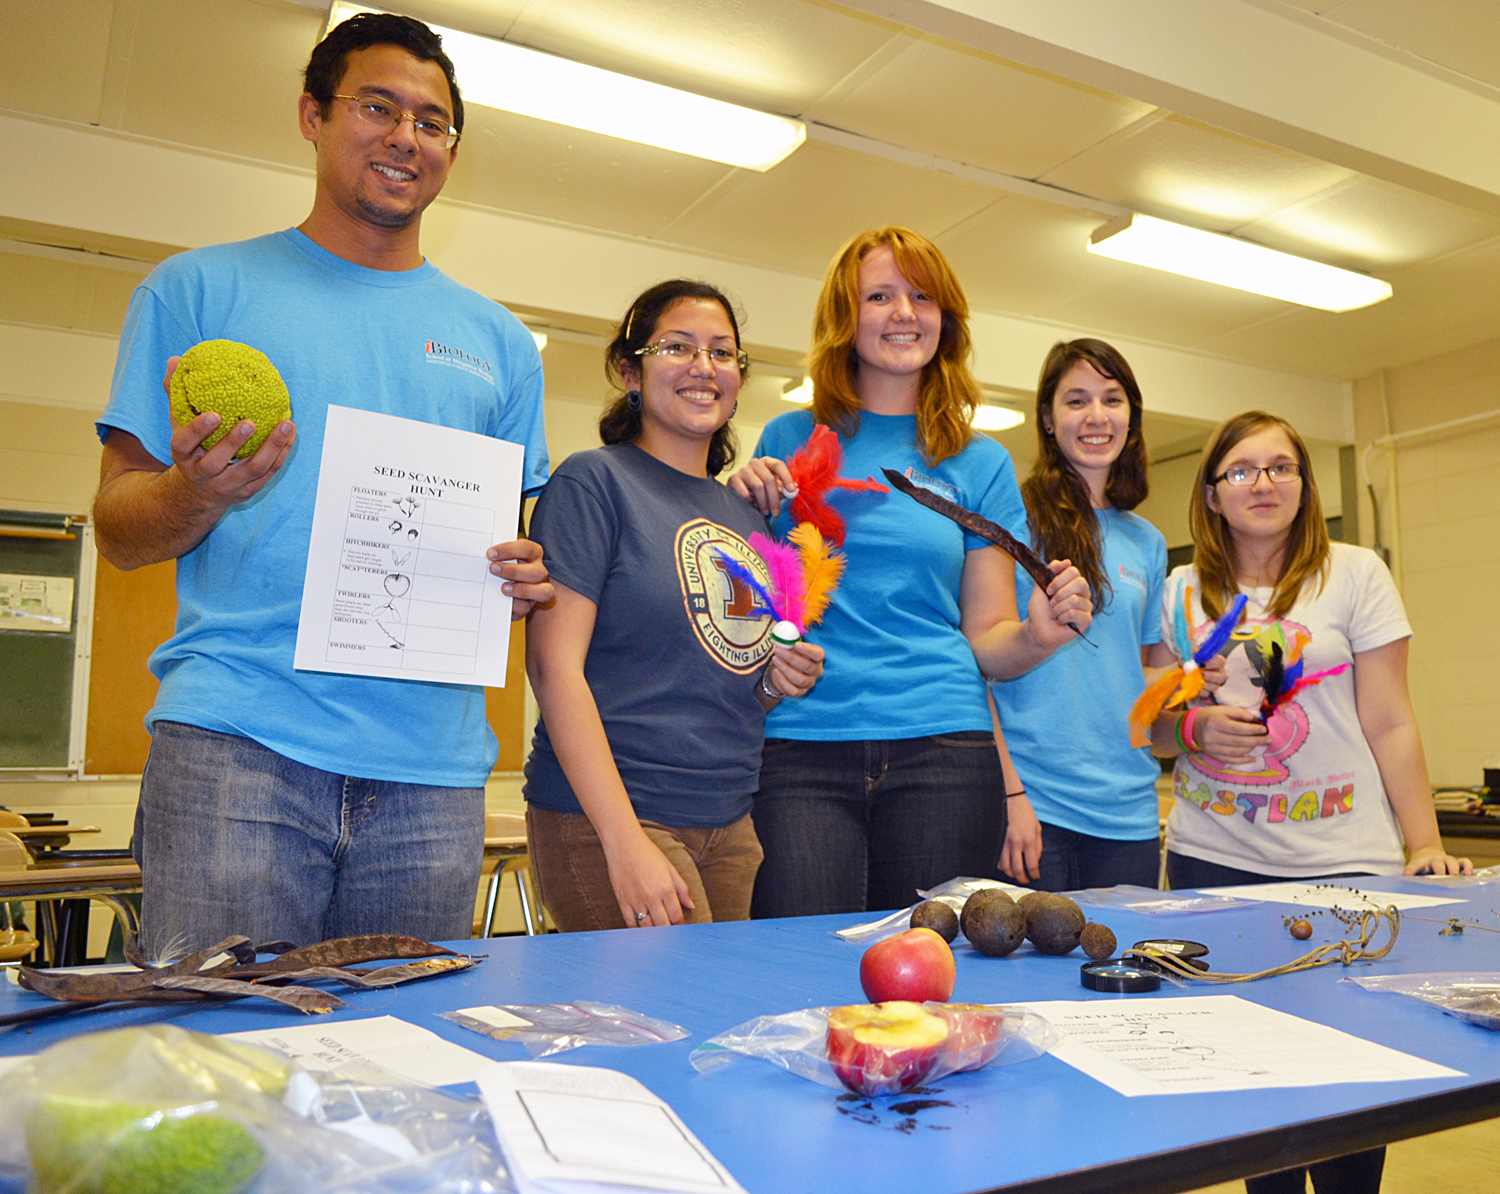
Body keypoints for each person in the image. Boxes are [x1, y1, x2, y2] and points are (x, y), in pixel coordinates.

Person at [91, 13, 552, 954]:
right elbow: (118, 529)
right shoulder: (195, 293)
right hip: (237, 746)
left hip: (435, 770)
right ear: (311, 114)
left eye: (432, 122)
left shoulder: (502, 343)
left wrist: (521, 577)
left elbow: (504, 545)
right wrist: (199, 491)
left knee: (397, 1067)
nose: (405, 137)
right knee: (224, 1062)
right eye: (376, 107)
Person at [1150, 410, 1470, 1194]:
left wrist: (1422, 842)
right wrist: (1192, 727)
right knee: (1255, 1082)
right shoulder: (1180, 587)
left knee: (1357, 1081)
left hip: (1345, 864)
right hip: (1212, 863)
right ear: (1213, 493)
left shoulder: (1356, 572)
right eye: (1243, 470)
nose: (1264, 483)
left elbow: (1390, 717)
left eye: (1282, 467)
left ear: (1304, 484)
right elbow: (1155, 729)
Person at [729, 227, 1091, 917]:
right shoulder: (786, 439)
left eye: (922, 296)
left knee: (926, 975)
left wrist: (1039, 635)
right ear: (845, 317)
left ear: (945, 319)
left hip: (944, 749)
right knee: (799, 961)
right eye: (880, 295)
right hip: (803, 745)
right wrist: (735, 503)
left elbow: (986, 636)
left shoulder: (979, 462)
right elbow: (757, 618)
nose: (904, 312)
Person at [522, 281, 823, 932]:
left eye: (722, 353)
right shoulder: (592, 481)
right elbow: (553, 669)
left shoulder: (747, 518)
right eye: (678, 347)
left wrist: (776, 680)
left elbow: (723, 674)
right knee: (671, 1025)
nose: (703, 367)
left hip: (730, 824)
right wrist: (623, 840)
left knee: (716, 1026)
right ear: (630, 371)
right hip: (615, 816)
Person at [993, 340, 1168, 891]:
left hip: (1131, 813)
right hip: (1038, 810)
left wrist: (1191, 693)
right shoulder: (1010, 522)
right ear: (1047, 419)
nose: (1097, 417)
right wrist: (1009, 796)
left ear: (1131, 417)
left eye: (1112, 400)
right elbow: (975, 670)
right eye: (1076, 401)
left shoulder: (1148, 541)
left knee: (1126, 973)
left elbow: (1145, 676)